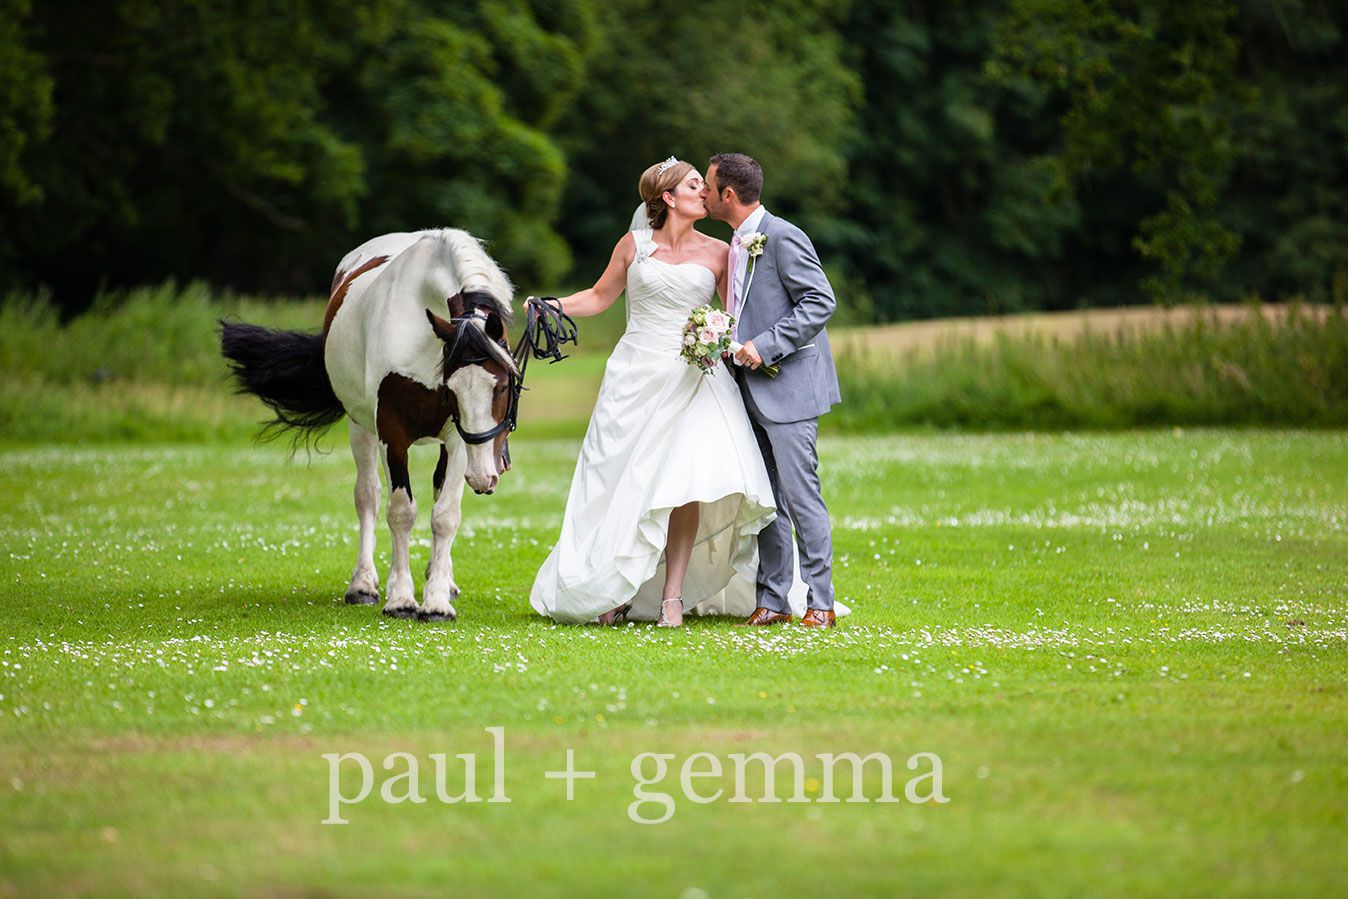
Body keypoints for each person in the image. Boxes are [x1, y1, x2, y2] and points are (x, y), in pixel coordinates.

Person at [529, 157, 779, 626]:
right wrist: (553, 303)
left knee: (685, 483)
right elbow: (601, 297)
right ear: (668, 197)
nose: (703, 192)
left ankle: (672, 597)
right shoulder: (634, 245)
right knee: (621, 477)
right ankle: (610, 585)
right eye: (692, 185)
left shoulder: (719, 252)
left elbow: (735, 317)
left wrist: (721, 337)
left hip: (695, 378)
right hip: (635, 374)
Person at [704, 152, 843, 627]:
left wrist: (765, 346)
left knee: (802, 497)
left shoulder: (783, 236)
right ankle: (773, 600)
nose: (702, 193)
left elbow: (820, 301)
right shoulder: (736, 244)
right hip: (745, 388)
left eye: (708, 186)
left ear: (728, 194)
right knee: (766, 501)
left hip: (789, 388)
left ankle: (820, 602)